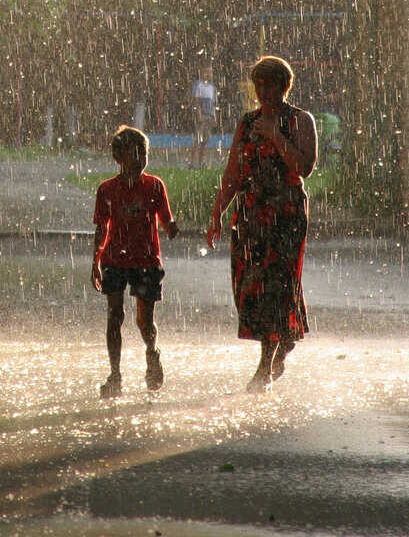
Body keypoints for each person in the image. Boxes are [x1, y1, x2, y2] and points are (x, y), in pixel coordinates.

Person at [206, 55, 317, 393]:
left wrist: (276, 136)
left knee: (277, 286)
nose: (264, 91)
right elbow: (233, 173)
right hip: (250, 215)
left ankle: (265, 366)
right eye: (259, 85)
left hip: (284, 216)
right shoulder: (247, 121)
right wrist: (217, 213)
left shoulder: (300, 120)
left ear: (285, 86)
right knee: (248, 287)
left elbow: (304, 167)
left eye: (270, 85)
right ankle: (282, 342)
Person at [91, 125, 180, 398]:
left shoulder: (154, 186)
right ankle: (115, 374)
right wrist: (95, 261)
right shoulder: (107, 190)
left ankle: (152, 353)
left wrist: (173, 228)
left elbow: (166, 218)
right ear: (118, 158)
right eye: (133, 154)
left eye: (144, 153)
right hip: (114, 260)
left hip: (147, 261)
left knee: (144, 321)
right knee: (114, 316)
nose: (140, 159)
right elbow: (101, 228)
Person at [191, 65, 217, 166]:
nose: (209, 74)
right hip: (202, 114)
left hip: (209, 115)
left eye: (210, 72)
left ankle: (201, 163)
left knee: (205, 140)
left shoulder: (211, 87)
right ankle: (193, 162)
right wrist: (199, 114)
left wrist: (214, 117)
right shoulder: (198, 85)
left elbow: (213, 104)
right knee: (197, 138)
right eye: (207, 72)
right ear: (201, 72)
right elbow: (196, 100)